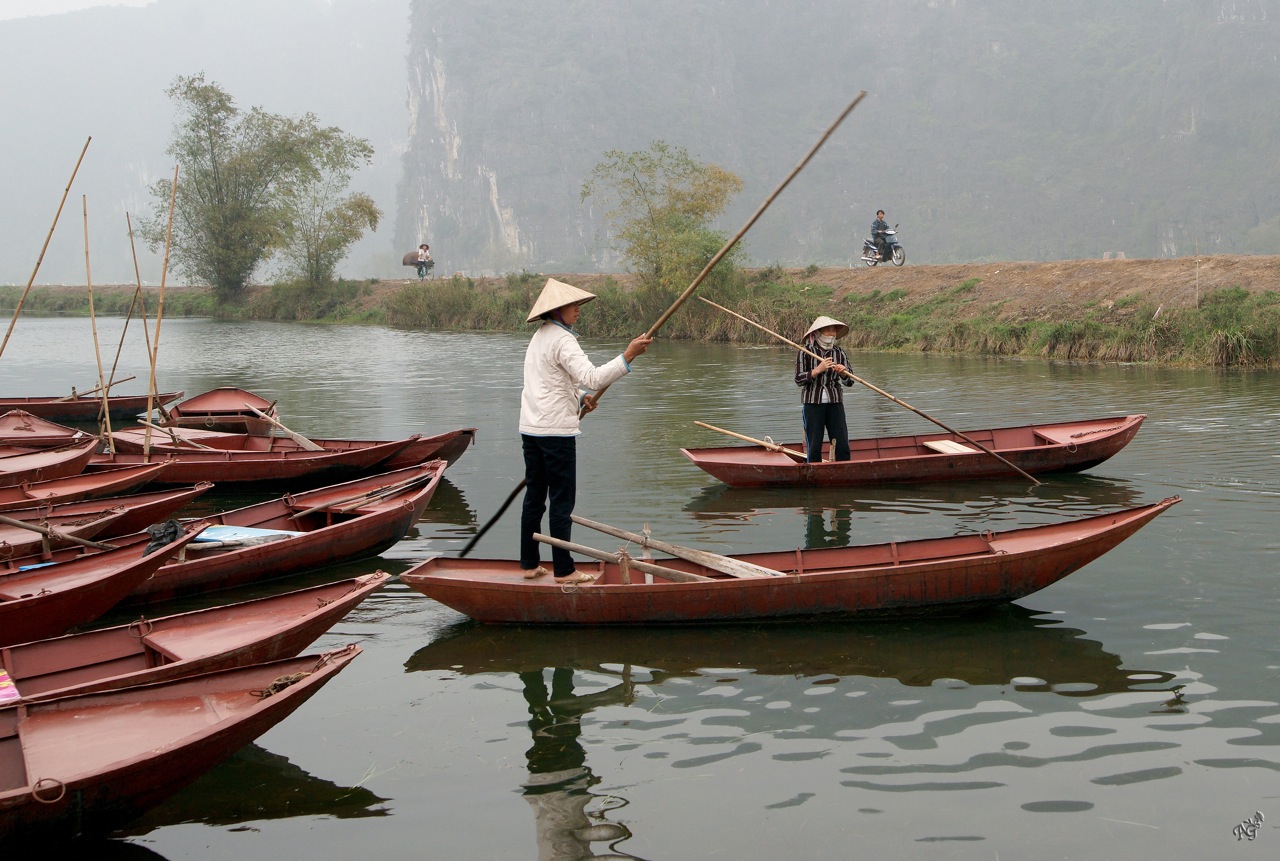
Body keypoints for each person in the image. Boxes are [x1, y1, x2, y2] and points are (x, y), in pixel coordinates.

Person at [519, 278, 653, 583]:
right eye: (573, 305)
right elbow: (592, 376)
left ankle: (529, 564)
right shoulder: (563, 340)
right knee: (562, 501)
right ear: (558, 310)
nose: (578, 310)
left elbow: (552, 381)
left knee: (535, 498)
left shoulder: (540, 337)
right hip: (555, 433)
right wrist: (628, 355)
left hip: (532, 429)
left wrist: (579, 397)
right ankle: (564, 571)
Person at [794, 315, 854, 463]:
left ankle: (845, 469)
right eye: (828, 330)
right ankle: (814, 470)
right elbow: (799, 379)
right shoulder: (805, 352)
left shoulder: (839, 353)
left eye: (834, 331)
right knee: (814, 444)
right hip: (813, 404)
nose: (832, 334)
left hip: (835, 402)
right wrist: (817, 370)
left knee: (842, 442)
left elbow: (850, 381)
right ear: (818, 333)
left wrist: (843, 373)